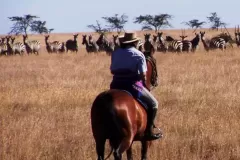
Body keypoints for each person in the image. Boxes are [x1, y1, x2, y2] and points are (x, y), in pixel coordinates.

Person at [110, 32, 161, 140]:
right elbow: (143, 75)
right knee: (154, 103)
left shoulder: (115, 53)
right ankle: (149, 131)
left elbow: (112, 70)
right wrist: (143, 84)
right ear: (135, 42)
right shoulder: (138, 54)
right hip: (132, 85)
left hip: (115, 84)